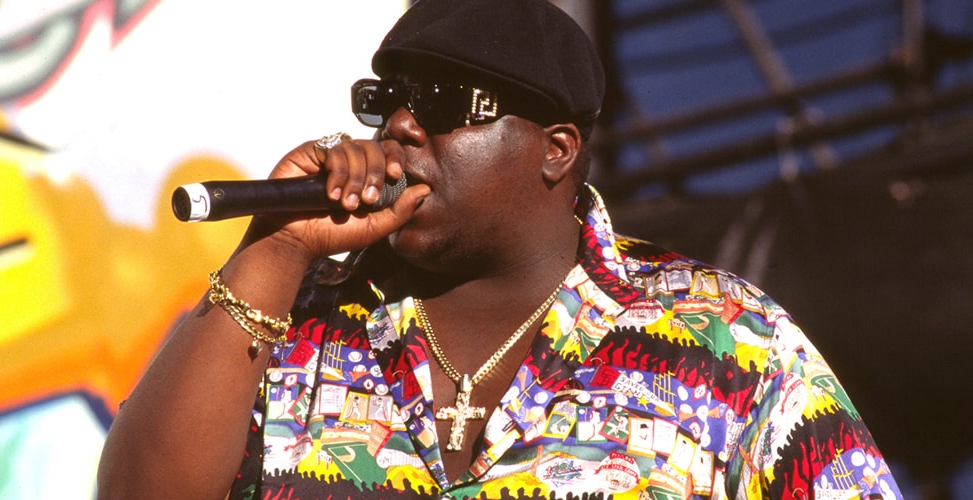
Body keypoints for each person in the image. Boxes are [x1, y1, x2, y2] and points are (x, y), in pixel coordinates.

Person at [97, 0, 903, 498]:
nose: (401, 126)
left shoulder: (727, 336)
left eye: (445, 101)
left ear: (554, 149)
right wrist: (276, 251)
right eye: (387, 100)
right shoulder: (289, 322)